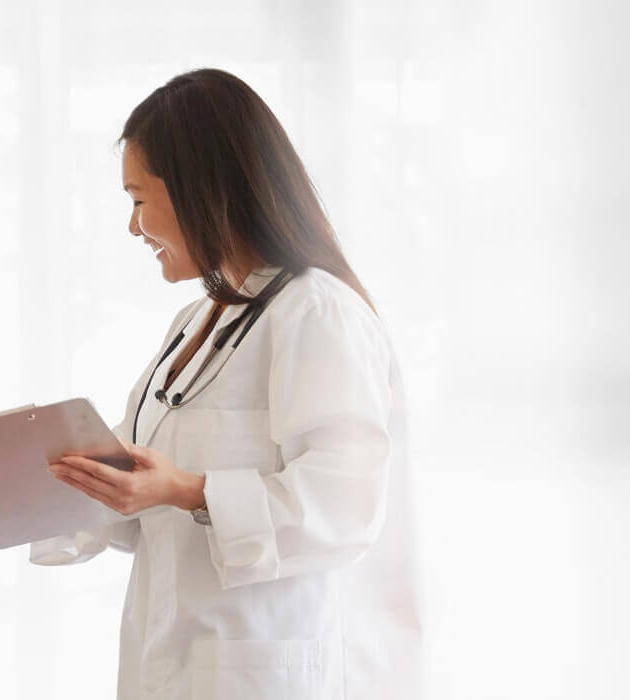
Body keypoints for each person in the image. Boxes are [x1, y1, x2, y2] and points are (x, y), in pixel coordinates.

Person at [34, 69, 422, 699]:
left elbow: (346, 505)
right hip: (166, 659)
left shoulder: (316, 312)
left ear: (200, 189)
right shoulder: (197, 321)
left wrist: (189, 491)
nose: (133, 227)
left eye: (138, 199)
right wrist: (75, 482)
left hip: (257, 668)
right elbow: (148, 498)